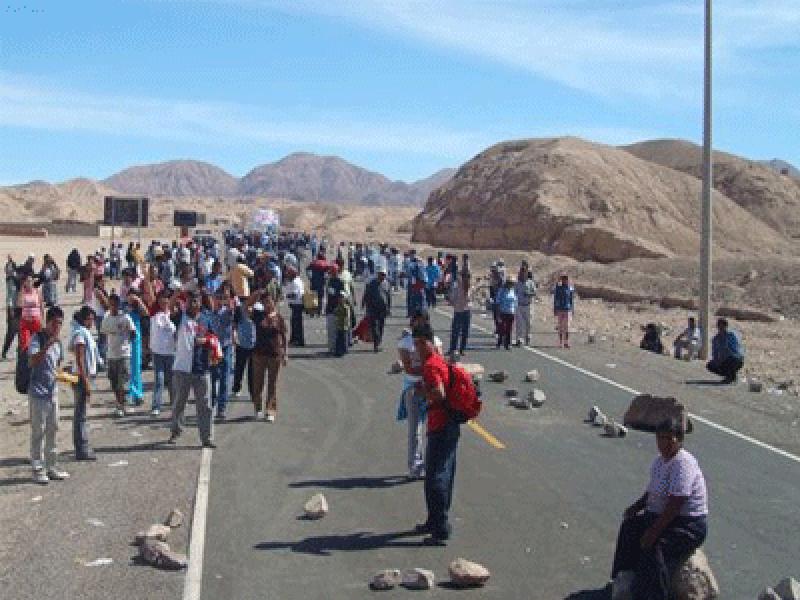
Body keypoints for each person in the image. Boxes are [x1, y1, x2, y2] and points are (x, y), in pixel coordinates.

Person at [610, 418, 708, 600]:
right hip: (661, 515)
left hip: (687, 524)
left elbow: (676, 502)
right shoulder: (659, 462)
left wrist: (653, 532)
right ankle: (624, 577)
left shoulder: (682, 463)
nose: (664, 443)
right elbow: (652, 491)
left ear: (679, 440)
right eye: (660, 438)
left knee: (656, 547)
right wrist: (637, 506)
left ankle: (655, 595)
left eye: (669, 439)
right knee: (630, 527)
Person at [413, 323, 460, 544]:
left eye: (419, 344)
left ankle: (440, 528)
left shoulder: (431, 365)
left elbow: (439, 393)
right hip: (448, 424)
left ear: (427, 342)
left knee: (436, 477)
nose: (417, 349)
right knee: (443, 474)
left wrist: (422, 391)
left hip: (441, 425)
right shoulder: (440, 360)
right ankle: (434, 520)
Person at [28, 306, 69, 484]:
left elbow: (56, 366)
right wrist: (47, 346)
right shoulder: (37, 338)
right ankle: (37, 468)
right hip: (38, 393)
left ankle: (51, 466)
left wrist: (66, 374)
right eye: (55, 323)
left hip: (52, 392)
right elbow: (32, 360)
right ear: (48, 322)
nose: (57, 327)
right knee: (38, 432)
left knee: (53, 429)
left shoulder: (58, 343)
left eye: (60, 323)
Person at [168, 291, 215, 448]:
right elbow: (169, 307)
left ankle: (206, 437)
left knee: (205, 405)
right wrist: (177, 293)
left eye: (195, 301)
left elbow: (214, 339)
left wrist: (205, 340)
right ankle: (176, 431)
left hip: (202, 368)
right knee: (179, 403)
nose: (192, 304)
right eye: (190, 301)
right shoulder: (180, 317)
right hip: (182, 368)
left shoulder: (206, 319)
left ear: (200, 303)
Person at [398, 310, 431, 479]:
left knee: (433, 428)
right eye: (418, 320)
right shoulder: (405, 343)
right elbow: (409, 368)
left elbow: (438, 363)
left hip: (431, 387)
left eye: (424, 321)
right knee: (416, 429)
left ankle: (429, 463)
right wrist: (427, 369)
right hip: (413, 388)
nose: (421, 324)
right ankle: (415, 466)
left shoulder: (433, 340)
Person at [250, 296, 287, 422]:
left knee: (272, 384)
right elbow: (246, 307)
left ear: (274, 303)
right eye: (265, 302)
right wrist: (256, 294)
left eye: (269, 302)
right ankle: (258, 409)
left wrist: (285, 354)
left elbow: (284, 336)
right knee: (257, 383)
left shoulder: (279, 318)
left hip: (274, 354)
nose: (267, 304)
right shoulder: (258, 316)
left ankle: (270, 410)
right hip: (259, 354)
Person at [69, 306, 98, 461]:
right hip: (81, 377)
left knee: (81, 414)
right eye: (89, 319)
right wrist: (85, 381)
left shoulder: (83, 332)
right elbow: (80, 359)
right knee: (80, 415)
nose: (91, 322)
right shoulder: (80, 334)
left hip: (83, 377)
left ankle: (82, 447)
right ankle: (81, 449)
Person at [100, 294, 136, 418]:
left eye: (115, 304)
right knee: (114, 382)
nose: (113, 307)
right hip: (111, 355)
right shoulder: (106, 317)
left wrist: (127, 342)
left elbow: (133, 332)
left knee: (123, 382)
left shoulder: (125, 317)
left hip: (124, 354)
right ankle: (121, 402)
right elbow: (103, 333)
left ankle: (120, 406)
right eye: (111, 304)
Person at [149, 289, 176, 417]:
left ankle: (174, 404)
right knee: (159, 380)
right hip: (157, 352)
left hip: (171, 353)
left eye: (166, 298)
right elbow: (150, 292)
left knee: (171, 381)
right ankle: (156, 406)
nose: (164, 301)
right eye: (161, 298)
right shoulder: (154, 313)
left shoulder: (174, 314)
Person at [706, 318, 744, 384]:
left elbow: (736, 349)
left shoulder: (732, 335)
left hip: (735, 359)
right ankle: (730, 375)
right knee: (710, 365)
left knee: (731, 359)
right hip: (723, 360)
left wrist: (726, 351)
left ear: (726, 326)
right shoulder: (716, 339)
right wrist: (717, 360)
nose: (720, 328)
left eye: (722, 326)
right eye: (719, 326)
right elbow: (715, 353)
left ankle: (730, 376)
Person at [363, 267, 391, 352]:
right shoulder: (371, 284)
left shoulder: (386, 284)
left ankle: (378, 342)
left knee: (381, 326)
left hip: (383, 309)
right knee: (375, 327)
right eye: (381, 274)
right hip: (373, 308)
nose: (382, 276)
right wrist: (364, 305)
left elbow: (388, 296)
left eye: (384, 275)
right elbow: (366, 295)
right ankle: (376, 345)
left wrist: (389, 308)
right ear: (378, 274)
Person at [447, 271, 471, 358]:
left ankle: (462, 349)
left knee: (465, 331)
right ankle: (453, 348)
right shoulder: (456, 286)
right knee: (455, 331)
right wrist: (454, 302)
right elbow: (452, 298)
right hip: (458, 310)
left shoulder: (468, 287)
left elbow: (470, 298)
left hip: (466, 310)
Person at [514, 264, 536, 347]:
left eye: (524, 271)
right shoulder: (517, 283)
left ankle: (528, 336)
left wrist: (528, 293)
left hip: (528, 305)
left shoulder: (530, 282)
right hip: (519, 305)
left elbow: (534, 292)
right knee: (519, 323)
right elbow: (514, 293)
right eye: (521, 271)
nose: (523, 273)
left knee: (528, 322)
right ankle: (519, 339)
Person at [3, 255, 19, 360]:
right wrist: (10, 309)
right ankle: (4, 352)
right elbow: (9, 297)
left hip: (19, 308)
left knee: (20, 331)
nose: (8, 271)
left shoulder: (15, 278)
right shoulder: (10, 280)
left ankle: (20, 351)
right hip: (12, 309)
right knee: (11, 332)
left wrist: (11, 261)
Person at [284, 266, 305, 347]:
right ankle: (294, 339)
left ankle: (298, 340)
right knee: (294, 322)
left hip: (297, 305)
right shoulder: (294, 281)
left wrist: (286, 296)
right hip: (295, 305)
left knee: (297, 323)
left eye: (288, 273)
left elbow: (295, 294)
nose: (287, 275)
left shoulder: (296, 282)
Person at [553, 273, 575, 348]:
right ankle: (560, 342)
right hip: (560, 309)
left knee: (567, 327)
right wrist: (555, 308)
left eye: (566, 278)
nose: (565, 280)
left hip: (567, 309)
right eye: (563, 278)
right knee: (560, 327)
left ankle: (566, 342)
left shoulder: (570, 288)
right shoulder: (558, 288)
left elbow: (571, 300)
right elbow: (555, 298)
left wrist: (572, 309)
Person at [496, 277, 517, 350]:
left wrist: (515, 311)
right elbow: (498, 302)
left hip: (511, 312)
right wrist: (498, 313)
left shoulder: (513, 291)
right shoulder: (501, 291)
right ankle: (500, 341)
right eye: (510, 283)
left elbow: (515, 301)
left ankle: (507, 343)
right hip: (503, 312)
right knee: (502, 328)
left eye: (513, 283)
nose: (512, 285)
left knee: (509, 329)